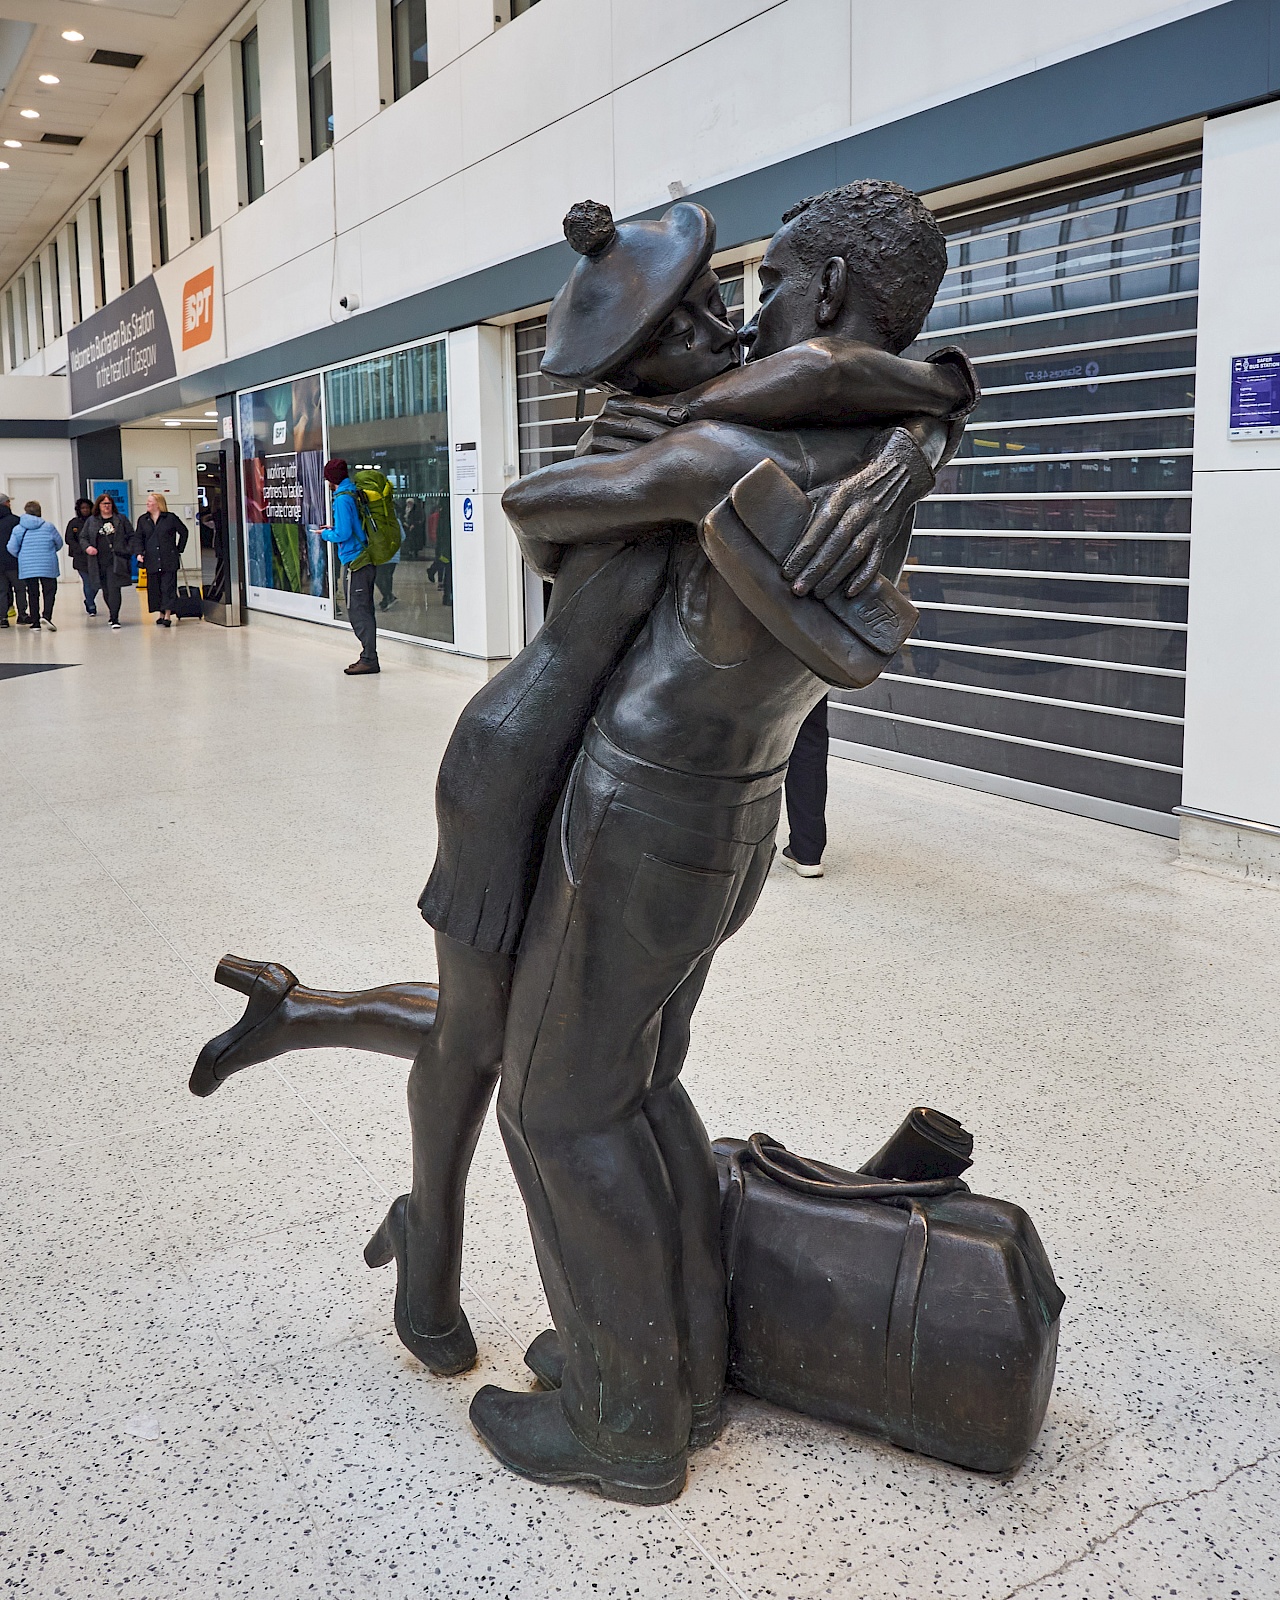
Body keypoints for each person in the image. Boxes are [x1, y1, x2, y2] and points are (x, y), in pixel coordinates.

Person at [189, 187, 975, 1489]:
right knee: (637, 1084)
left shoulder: (735, 452)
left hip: (642, 809)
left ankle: (623, 1423)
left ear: (827, 297)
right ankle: (676, 1372)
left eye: (770, 285)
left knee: (558, 1109)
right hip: (734, 806)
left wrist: (716, 410)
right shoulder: (879, 459)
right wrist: (916, 438)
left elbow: (540, 505)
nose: (752, 315)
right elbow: (906, 387)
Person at [318, 458, 379, 676]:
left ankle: (369, 659)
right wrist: (334, 528)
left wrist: (326, 534)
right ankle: (369, 657)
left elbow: (343, 534)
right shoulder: (352, 493)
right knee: (364, 609)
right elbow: (351, 528)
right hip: (364, 558)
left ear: (331, 479)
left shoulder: (343, 499)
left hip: (356, 561)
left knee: (358, 610)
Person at [781, 698, 829, 876]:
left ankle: (752, 852)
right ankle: (807, 851)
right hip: (812, 670)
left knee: (752, 737)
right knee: (808, 740)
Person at [79, 492, 138, 629]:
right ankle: (112, 612)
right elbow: (83, 537)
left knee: (114, 588)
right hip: (99, 561)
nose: (107, 506)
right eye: (104, 503)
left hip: (116, 560)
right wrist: (88, 548)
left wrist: (128, 550)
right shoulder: (92, 521)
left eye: (109, 503)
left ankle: (114, 617)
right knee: (105, 589)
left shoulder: (121, 519)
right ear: (98, 505)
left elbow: (131, 536)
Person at [7, 501, 64, 630]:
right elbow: (59, 543)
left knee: (33, 593)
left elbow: (11, 547)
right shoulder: (49, 526)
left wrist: (22, 556)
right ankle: (47, 616)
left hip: (27, 566)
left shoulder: (18, 528)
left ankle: (35, 622)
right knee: (49, 591)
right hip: (48, 564)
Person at [136, 492, 189, 628]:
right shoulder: (143, 520)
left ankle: (167, 614)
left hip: (168, 558)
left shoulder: (170, 518)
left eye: (150, 501)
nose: (147, 504)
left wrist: (178, 549)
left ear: (158, 504)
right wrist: (139, 553)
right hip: (151, 558)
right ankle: (160, 612)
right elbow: (138, 538)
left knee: (168, 587)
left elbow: (184, 532)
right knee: (155, 588)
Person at [65, 499, 99, 616]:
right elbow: (69, 539)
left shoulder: (96, 521)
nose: (85, 510)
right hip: (80, 558)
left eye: (87, 508)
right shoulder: (73, 523)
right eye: (82, 508)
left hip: (95, 557)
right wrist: (81, 548)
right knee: (87, 582)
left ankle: (88, 599)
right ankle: (91, 605)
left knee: (96, 584)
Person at [0, 492, 26, 626]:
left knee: (2, 590)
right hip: (14, 562)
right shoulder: (16, 520)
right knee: (20, 589)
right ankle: (22, 615)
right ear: (6, 504)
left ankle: (2, 618)